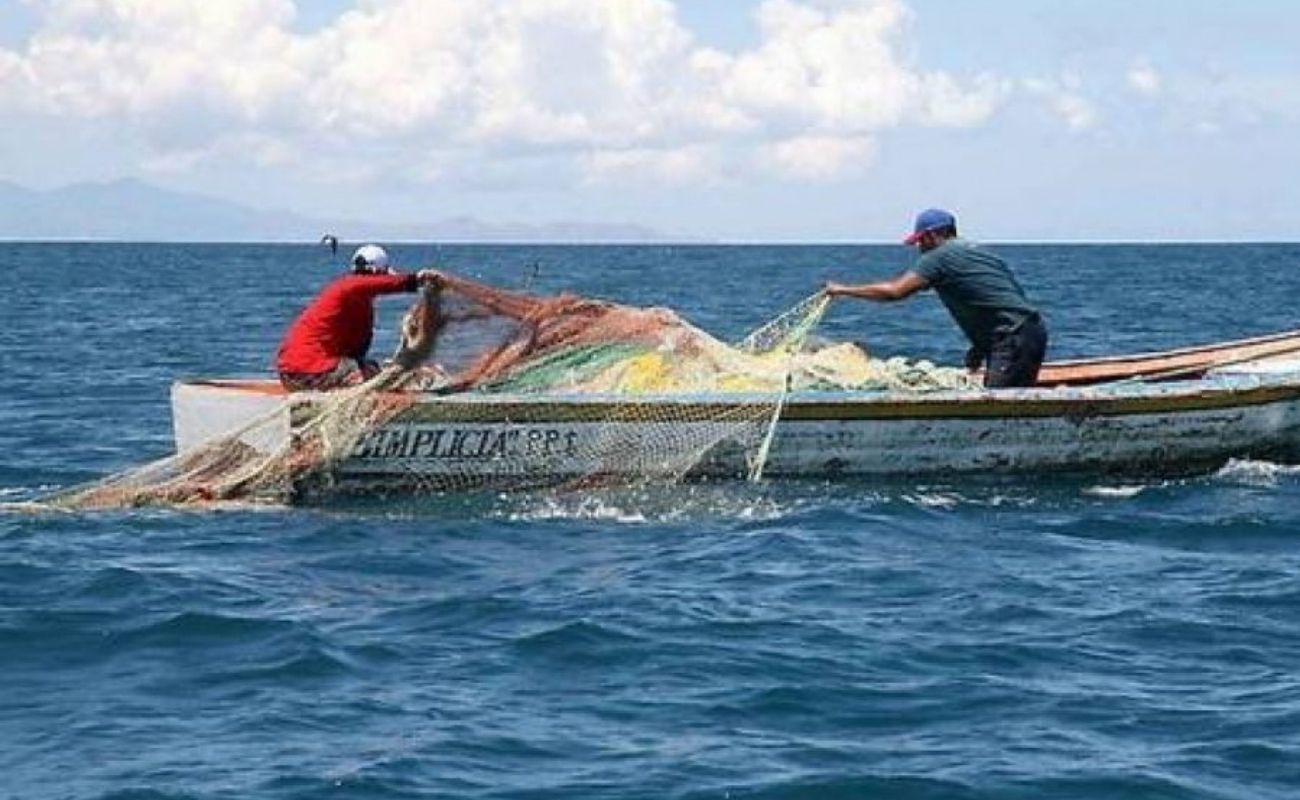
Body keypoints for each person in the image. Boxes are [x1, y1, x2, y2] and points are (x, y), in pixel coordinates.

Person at [825, 209, 1048, 388]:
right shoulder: (980, 252)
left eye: (920, 242)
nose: (919, 248)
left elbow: (895, 291)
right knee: (1012, 398)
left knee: (1000, 410)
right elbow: (996, 299)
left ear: (932, 235)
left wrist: (843, 290)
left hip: (1012, 337)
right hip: (1030, 331)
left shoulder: (939, 256)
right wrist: (981, 347)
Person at [277, 244, 440, 391]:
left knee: (372, 369)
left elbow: (357, 352)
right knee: (369, 378)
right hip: (305, 372)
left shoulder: (357, 302)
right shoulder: (348, 287)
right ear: (378, 273)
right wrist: (417, 280)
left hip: (295, 373)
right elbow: (386, 284)